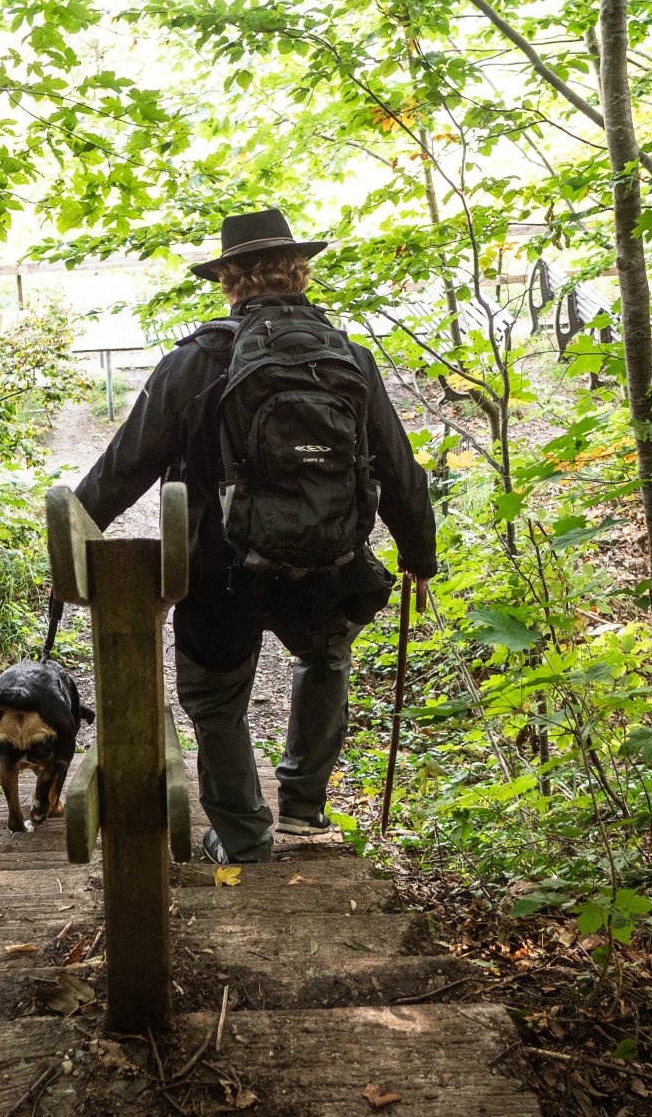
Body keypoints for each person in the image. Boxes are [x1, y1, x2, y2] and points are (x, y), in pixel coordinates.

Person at [74, 207, 439, 864]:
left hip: (221, 568)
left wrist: (75, 536)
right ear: (300, 274)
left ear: (228, 281)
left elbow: (124, 466)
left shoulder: (195, 362)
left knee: (216, 699)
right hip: (330, 561)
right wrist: (418, 556)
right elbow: (397, 468)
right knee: (324, 662)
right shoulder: (348, 357)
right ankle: (302, 806)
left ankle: (243, 835)